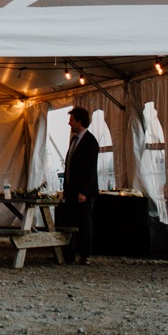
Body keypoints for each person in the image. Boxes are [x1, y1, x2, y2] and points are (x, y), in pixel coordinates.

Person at [64, 107, 99, 265]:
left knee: (84, 222)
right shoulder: (74, 140)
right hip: (71, 189)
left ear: (79, 121)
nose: (69, 123)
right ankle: (69, 253)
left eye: (72, 120)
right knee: (70, 220)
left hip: (83, 191)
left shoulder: (90, 142)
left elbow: (90, 169)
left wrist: (84, 191)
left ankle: (84, 254)